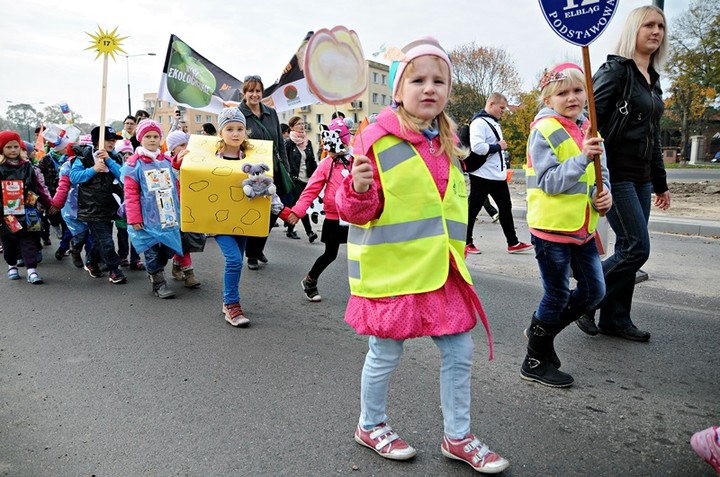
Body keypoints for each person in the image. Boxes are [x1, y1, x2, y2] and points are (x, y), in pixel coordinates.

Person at [336, 36, 509, 473]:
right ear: (398, 89)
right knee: (385, 352)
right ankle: (369, 425)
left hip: (441, 270)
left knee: (458, 350)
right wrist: (356, 188)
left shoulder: (446, 141)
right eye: (418, 79)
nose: (429, 88)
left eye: (439, 80)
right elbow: (358, 212)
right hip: (394, 273)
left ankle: (458, 436)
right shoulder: (373, 139)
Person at [575, 5, 671, 342]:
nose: (656, 31)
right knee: (635, 248)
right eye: (648, 25)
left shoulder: (652, 80)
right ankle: (585, 297)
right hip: (615, 175)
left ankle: (616, 318)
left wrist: (660, 182)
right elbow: (590, 122)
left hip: (643, 178)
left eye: (660, 26)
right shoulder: (616, 71)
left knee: (628, 246)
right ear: (634, 30)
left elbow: (653, 136)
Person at [521, 63, 612, 388]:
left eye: (577, 91)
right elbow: (549, 181)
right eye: (562, 92)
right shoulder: (543, 130)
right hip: (552, 231)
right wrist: (583, 158)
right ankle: (534, 358)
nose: (571, 97)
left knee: (594, 291)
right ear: (548, 97)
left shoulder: (589, 127)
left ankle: (539, 334)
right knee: (557, 295)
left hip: (583, 228)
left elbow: (601, 175)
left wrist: (606, 196)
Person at [212, 107, 291, 326]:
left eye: (239, 128)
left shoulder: (252, 159)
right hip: (220, 221)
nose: (235, 133)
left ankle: (229, 300)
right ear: (221, 132)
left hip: (243, 220)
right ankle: (231, 305)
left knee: (236, 261)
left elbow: (266, 185)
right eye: (229, 129)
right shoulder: (210, 158)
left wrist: (281, 209)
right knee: (234, 260)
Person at [289, 122, 351, 302]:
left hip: (355, 218)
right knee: (330, 254)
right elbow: (311, 190)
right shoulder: (326, 165)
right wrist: (298, 211)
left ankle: (366, 292)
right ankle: (310, 280)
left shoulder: (356, 161)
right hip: (334, 217)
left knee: (362, 254)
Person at [465, 93, 533, 255]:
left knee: (505, 208)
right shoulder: (479, 122)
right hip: (482, 175)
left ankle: (513, 242)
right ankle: (466, 242)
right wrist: (498, 146)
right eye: (501, 108)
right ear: (491, 104)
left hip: (496, 176)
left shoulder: (492, 123)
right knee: (472, 209)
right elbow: (478, 148)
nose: (504, 111)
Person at [122, 120, 182, 298]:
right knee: (152, 251)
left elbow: (178, 183)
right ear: (140, 138)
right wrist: (134, 218)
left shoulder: (167, 160)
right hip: (147, 219)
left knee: (168, 249)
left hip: (169, 216)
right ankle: (159, 283)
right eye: (147, 136)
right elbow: (130, 194)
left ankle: (156, 270)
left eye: (155, 136)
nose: (152, 139)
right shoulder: (134, 164)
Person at [238, 75, 291, 270]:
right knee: (255, 211)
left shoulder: (271, 113)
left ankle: (258, 247)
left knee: (274, 210)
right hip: (250, 174)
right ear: (244, 93)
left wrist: (286, 167)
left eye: (258, 91)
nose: (254, 94)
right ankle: (251, 253)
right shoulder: (238, 113)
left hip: (273, 169)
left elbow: (279, 143)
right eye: (250, 91)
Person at [70, 126, 127, 284]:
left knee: (100, 239)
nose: (112, 142)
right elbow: (74, 177)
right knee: (106, 240)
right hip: (91, 206)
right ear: (98, 141)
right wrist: (93, 169)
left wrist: (109, 160)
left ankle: (91, 262)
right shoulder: (84, 156)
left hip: (109, 205)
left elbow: (123, 176)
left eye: (114, 140)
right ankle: (114, 270)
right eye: (109, 139)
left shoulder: (115, 157)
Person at [0, 130, 53, 284]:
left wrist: (49, 204)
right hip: (6, 214)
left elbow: (39, 187)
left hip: (28, 211)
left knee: (28, 242)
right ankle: (12, 266)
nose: (13, 150)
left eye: (16, 146)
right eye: (8, 147)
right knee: (9, 244)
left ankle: (32, 271)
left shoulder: (28, 166)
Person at [165, 130, 201, 288]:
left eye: (187, 144)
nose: (186, 148)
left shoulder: (193, 160)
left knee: (188, 239)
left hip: (191, 206)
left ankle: (176, 265)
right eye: (181, 145)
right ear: (173, 149)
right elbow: (174, 176)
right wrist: (177, 163)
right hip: (174, 208)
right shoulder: (169, 162)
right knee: (182, 240)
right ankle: (189, 274)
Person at [284, 116, 318, 242]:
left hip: (306, 179)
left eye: (303, 123)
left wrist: (318, 175)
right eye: (298, 124)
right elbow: (284, 160)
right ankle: (309, 232)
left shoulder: (307, 142)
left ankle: (290, 229)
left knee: (296, 205)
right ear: (292, 127)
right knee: (301, 204)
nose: (302, 126)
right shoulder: (288, 143)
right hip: (294, 179)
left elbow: (312, 161)